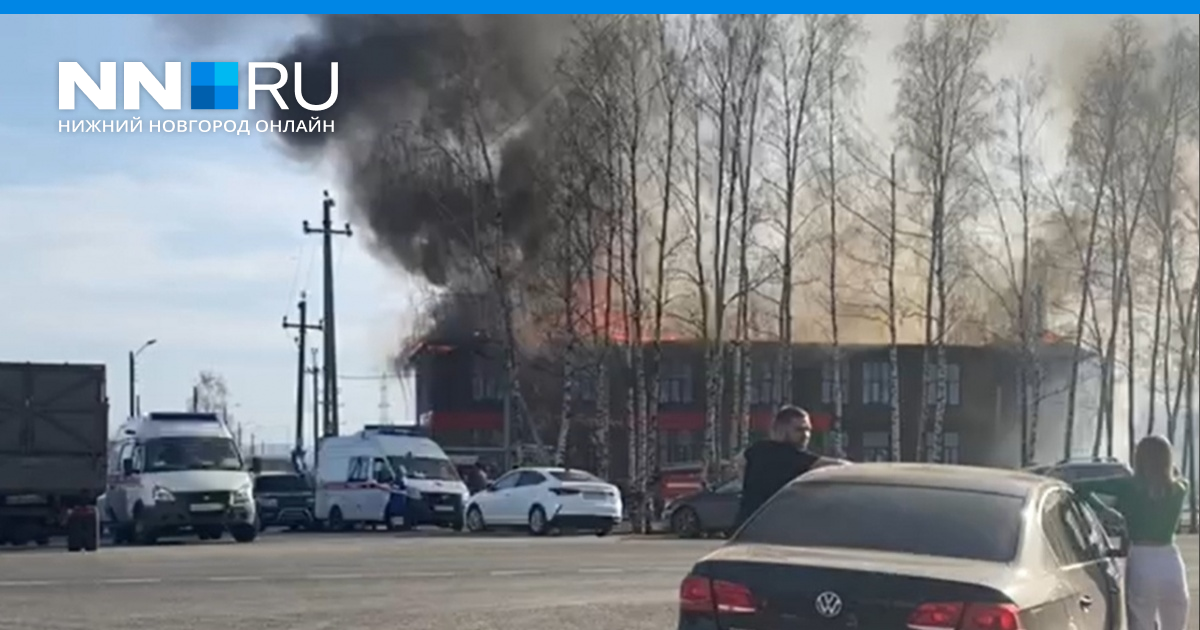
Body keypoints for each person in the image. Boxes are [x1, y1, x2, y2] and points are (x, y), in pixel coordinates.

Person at [1073, 435, 1191, 630]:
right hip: (1171, 560)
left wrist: (1105, 510)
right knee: (1176, 622)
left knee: (1140, 621)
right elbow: (1180, 478)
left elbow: (1080, 487)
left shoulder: (1128, 486)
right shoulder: (1178, 489)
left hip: (1141, 558)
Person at [734, 405, 848, 528]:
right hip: (772, 528)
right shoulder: (788, 454)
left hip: (746, 525)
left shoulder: (757, 449)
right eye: (799, 430)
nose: (806, 435)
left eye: (808, 430)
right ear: (781, 429)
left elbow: (740, 461)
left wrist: (746, 485)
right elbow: (835, 465)